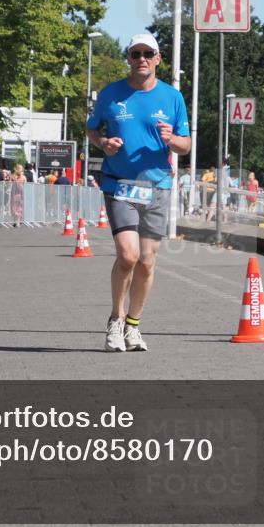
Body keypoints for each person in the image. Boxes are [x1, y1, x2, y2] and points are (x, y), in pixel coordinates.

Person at [86, 32, 190, 352]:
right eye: (135, 54)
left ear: (158, 59)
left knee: (146, 261)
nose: (142, 59)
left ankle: (133, 325)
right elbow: (92, 128)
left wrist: (172, 140)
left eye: (148, 53)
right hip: (119, 184)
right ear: (128, 58)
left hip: (157, 187)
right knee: (128, 256)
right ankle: (115, 321)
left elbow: (185, 146)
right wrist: (103, 143)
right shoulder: (111, 94)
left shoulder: (172, 98)